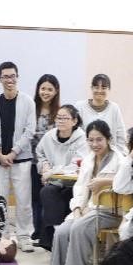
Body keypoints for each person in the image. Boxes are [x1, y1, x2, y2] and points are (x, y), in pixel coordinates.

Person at [35, 120, 119, 265]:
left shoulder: (119, 160)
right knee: (62, 230)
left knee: (79, 227)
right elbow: (80, 187)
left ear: (108, 139)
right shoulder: (88, 160)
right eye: (91, 140)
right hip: (88, 209)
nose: (95, 144)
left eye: (99, 139)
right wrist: (78, 208)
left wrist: (105, 182)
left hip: (110, 210)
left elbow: (124, 184)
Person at [0, 61, 36, 251]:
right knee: (0, 200)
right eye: (5, 76)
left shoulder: (28, 102)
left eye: (12, 76)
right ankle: (2, 236)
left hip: (21, 159)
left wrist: (14, 152)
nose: (9, 80)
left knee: (24, 201)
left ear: (17, 77)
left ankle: (24, 236)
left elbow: (30, 131)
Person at [35, 104, 86, 247]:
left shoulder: (82, 139)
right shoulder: (49, 136)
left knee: (67, 194)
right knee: (47, 192)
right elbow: (40, 153)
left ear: (74, 121)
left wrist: (52, 172)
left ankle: (63, 236)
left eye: (65, 118)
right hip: (55, 182)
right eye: (58, 118)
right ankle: (52, 235)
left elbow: (76, 165)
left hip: (74, 183)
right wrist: (44, 165)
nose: (60, 121)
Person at [29, 74, 62, 245]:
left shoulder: (60, 113)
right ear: (38, 90)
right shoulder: (31, 109)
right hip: (32, 161)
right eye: (43, 88)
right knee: (35, 198)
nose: (46, 92)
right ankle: (37, 231)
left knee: (49, 197)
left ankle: (47, 233)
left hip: (52, 164)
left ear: (56, 91)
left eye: (50, 89)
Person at [74, 73, 125, 150]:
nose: (99, 91)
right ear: (91, 88)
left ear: (109, 89)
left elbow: (121, 136)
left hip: (110, 154)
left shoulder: (114, 108)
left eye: (104, 88)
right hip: (85, 153)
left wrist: (119, 154)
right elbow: (75, 133)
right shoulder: (79, 106)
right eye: (96, 87)